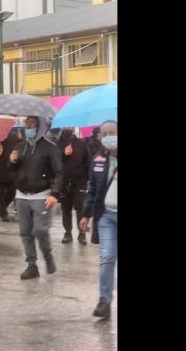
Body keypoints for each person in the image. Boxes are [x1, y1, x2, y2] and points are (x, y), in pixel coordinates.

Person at [8, 116, 62, 280]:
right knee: (25, 233)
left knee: (40, 230)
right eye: (26, 123)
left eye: (31, 123)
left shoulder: (50, 147)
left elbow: (59, 172)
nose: (27, 126)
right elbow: (13, 168)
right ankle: (32, 266)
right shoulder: (20, 146)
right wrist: (12, 161)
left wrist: (55, 194)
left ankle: (48, 256)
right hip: (22, 195)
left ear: (39, 126)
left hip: (41, 196)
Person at [78, 120, 117, 319]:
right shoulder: (98, 160)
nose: (109, 136)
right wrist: (86, 214)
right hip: (106, 217)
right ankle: (104, 301)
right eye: (105, 133)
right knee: (108, 257)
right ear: (100, 136)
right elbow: (92, 190)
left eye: (113, 132)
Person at [57, 129, 91, 245]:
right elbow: (54, 162)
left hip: (79, 181)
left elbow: (87, 160)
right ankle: (67, 233)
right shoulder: (57, 143)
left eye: (70, 126)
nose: (68, 128)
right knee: (65, 208)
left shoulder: (81, 143)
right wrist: (64, 154)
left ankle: (82, 234)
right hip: (64, 181)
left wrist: (88, 178)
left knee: (80, 207)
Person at [0, 133, 18, 221]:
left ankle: (1, 207)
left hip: (10, 171)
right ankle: (3, 213)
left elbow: (18, 149)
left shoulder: (13, 136)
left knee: (12, 192)